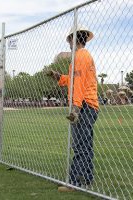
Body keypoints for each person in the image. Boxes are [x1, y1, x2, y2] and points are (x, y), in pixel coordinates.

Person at [46, 25, 99, 191]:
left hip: (84, 106)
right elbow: (73, 79)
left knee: (80, 146)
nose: (68, 43)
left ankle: (73, 182)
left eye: (69, 40)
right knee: (86, 145)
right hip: (89, 105)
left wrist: (75, 108)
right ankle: (87, 178)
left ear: (73, 39)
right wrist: (58, 77)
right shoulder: (81, 57)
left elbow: (79, 85)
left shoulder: (81, 57)